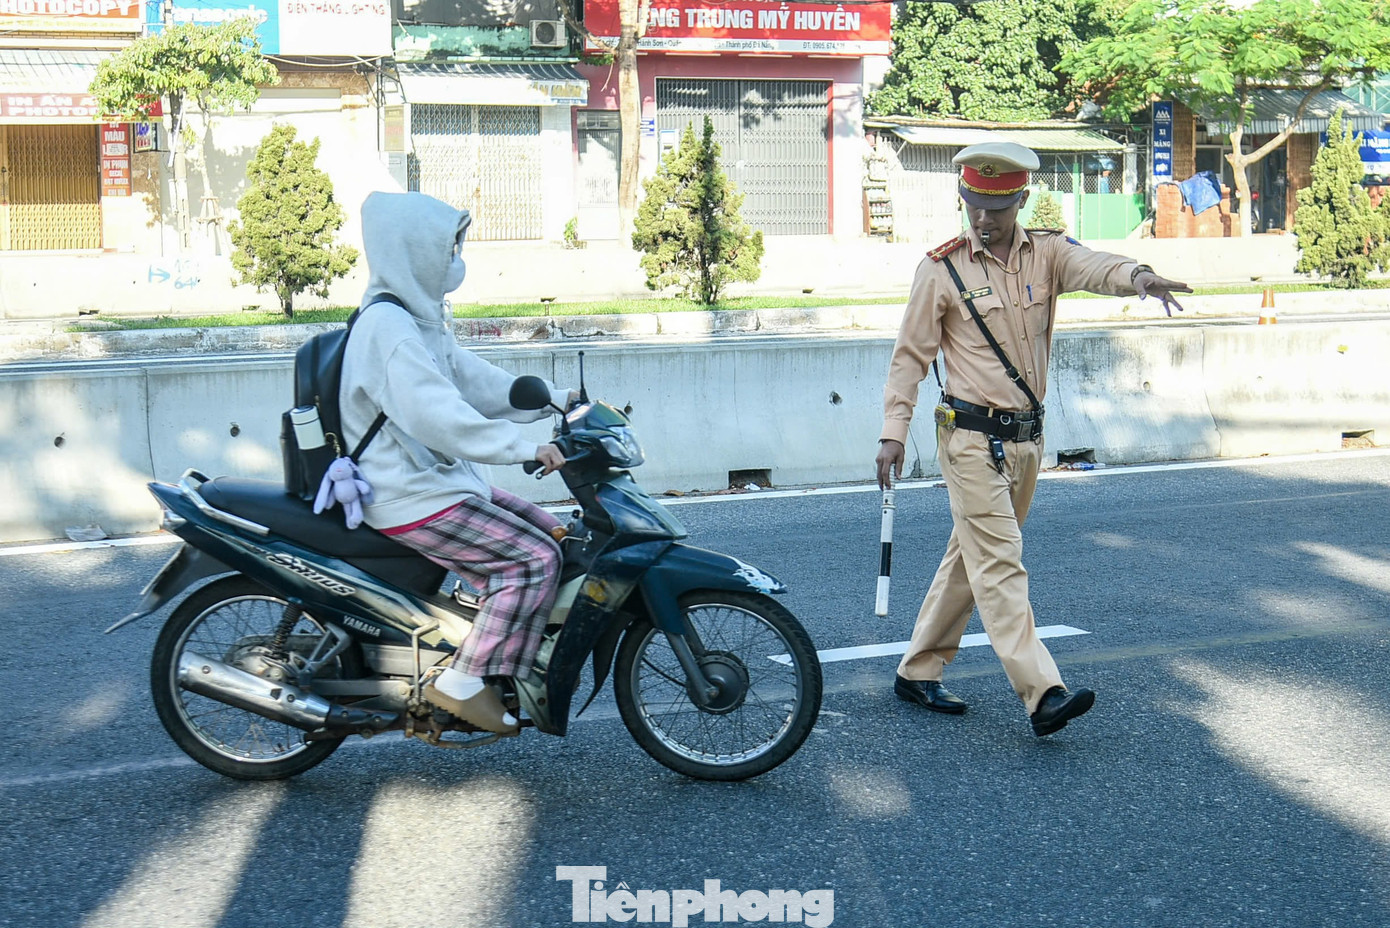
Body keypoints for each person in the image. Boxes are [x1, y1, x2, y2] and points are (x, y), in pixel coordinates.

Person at [875, 142, 1191, 737]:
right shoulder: (941, 269)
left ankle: (918, 670)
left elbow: (1095, 265)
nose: (984, 218)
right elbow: (908, 358)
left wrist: (1140, 278)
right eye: (974, 204)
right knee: (1000, 564)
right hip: (968, 438)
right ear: (962, 198)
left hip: (1024, 441)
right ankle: (1042, 690)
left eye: (997, 206)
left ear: (1020, 199)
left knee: (972, 558)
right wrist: (894, 432)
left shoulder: (1046, 254)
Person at [339, 191, 575, 735]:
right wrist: (523, 446)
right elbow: (439, 417)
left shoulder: (417, 321)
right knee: (534, 560)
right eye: (447, 250)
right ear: (413, 253)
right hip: (408, 494)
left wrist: (556, 400)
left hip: (439, 482)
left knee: (559, 536)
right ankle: (464, 683)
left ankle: (490, 636)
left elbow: (472, 381)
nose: (455, 261)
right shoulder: (388, 331)